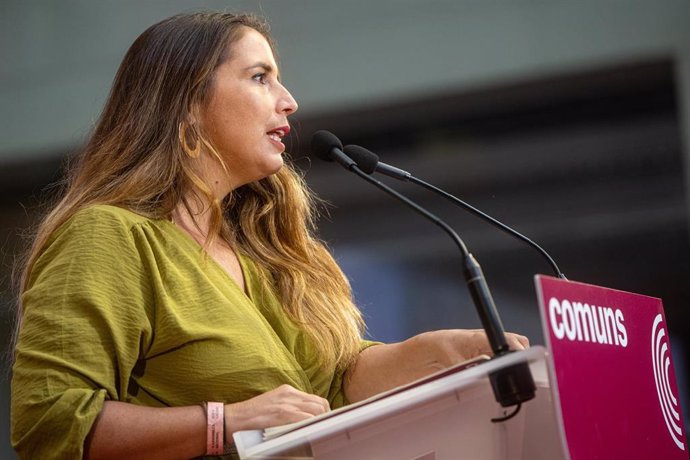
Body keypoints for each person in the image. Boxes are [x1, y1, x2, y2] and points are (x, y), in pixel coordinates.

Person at [10, 12, 529, 460]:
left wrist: (434, 353)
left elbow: (327, 385)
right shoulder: (109, 236)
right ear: (187, 101)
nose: (289, 101)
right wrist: (224, 423)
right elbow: (50, 421)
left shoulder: (261, 254)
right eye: (260, 78)